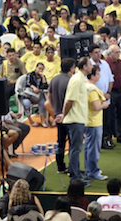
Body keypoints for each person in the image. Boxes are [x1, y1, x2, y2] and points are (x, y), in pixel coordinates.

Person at [56, 57, 92, 185]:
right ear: (84, 67)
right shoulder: (77, 80)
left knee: (75, 148)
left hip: (78, 118)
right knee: (75, 149)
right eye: (90, 64)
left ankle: (75, 172)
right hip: (75, 119)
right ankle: (75, 177)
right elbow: (70, 100)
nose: (92, 66)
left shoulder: (79, 79)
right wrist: (64, 115)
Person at [48, 58, 76, 174]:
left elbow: (49, 96)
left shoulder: (54, 79)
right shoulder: (71, 81)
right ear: (71, 68)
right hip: (68, 115)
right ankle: (72, 168)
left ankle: (60, 165)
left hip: (57, 114)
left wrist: (55, 110)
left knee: (60, 141)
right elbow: (71, 100)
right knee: (72, 142)